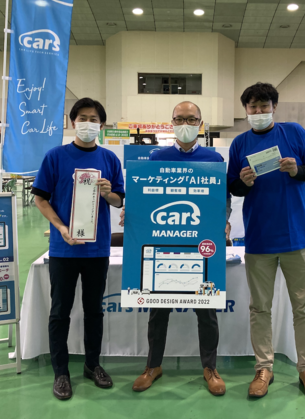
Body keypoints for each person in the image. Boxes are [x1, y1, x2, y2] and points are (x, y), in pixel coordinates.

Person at [227, 82, 305, 401]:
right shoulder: (239, 143)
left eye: (264, 106)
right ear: (245, 110)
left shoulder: (294, 132)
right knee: (260, 308)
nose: (258, 112)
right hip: (258, 238)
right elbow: (232, 187)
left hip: (297, 236)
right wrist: (243, 183)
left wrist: (297, 170)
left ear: (274, 107)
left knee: (304, 308)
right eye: (252, 107)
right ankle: (263, 368)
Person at [125, 101, 229, 396]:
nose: (186, 124)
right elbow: (145, 197)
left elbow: (224, 198)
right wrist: (131, 211)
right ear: (172, 122)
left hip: (201, 245)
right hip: (164, 243)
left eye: (191, 119)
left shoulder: (213, 158)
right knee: (158, 310)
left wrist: (224, 220)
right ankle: (153, 366)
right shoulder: (157, 157)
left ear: (200, 123)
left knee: (206, 310)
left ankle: (210, 368)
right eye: (180, 119)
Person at [31, 98, 125, 401]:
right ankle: (61, 371)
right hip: (64, 249)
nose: (88, 123)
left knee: (94, 310)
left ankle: (92, 364)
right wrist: (60, 227)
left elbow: (119, 201)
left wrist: (109, 193)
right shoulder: (55, 157)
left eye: (94, 119)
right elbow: (40, 198)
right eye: (82, 118)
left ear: (102, 125)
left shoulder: (109, 159)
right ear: (73, 123)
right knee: (60, 311)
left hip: (97, 250)